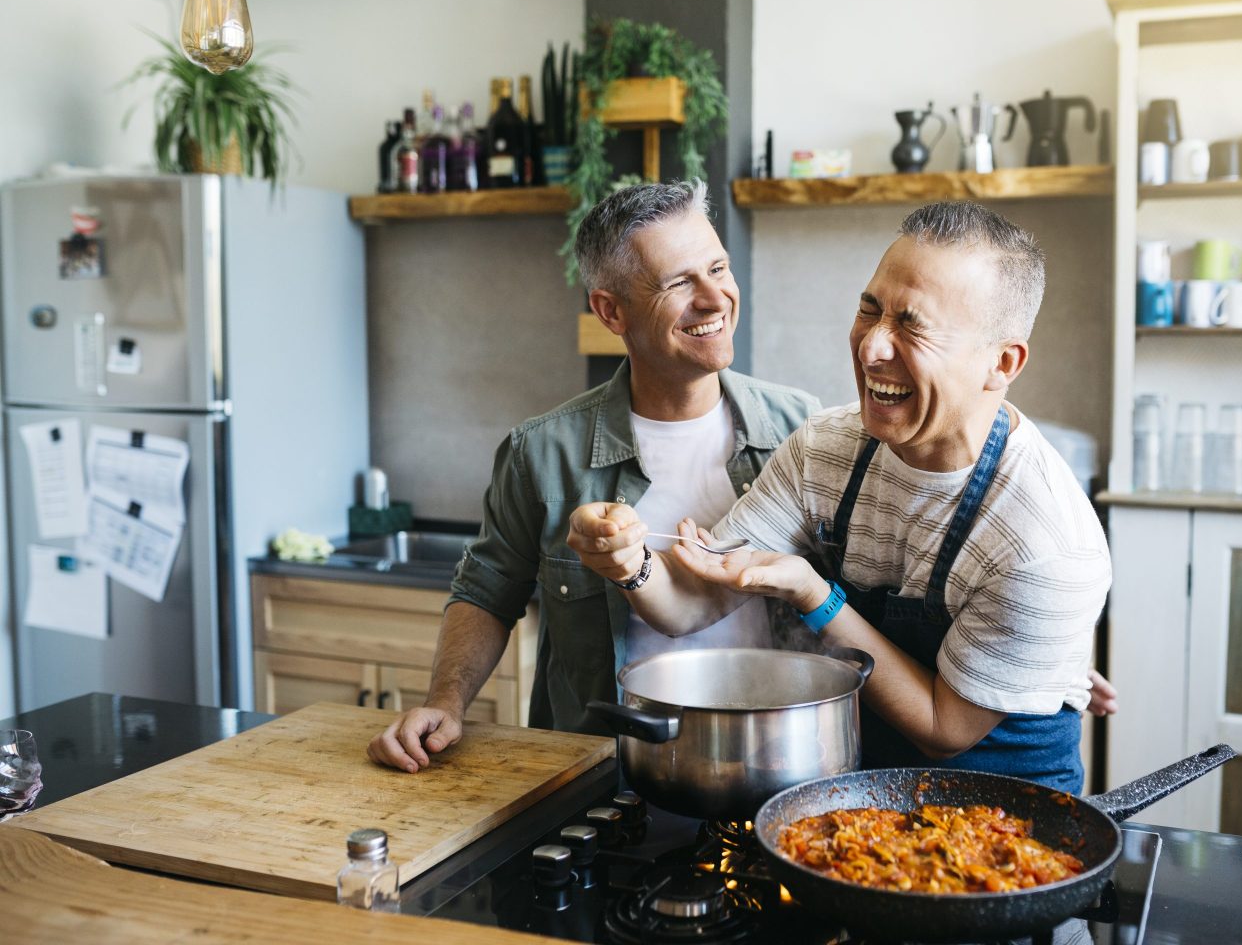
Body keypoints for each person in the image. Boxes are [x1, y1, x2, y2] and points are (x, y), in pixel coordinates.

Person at [567, 201, 1112, 794]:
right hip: (857, 799)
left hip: (1000, 821)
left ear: (1000, 363)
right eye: (868, 309)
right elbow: (694, 601)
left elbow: (943, 728)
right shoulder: (825, 449)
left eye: (912, 325)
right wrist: (630, 565)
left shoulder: (1046, 542)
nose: (871, 347)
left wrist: (814, 594)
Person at [367, 180, 820, 773]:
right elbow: (485, 592)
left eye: (718, 268)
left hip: (776, 767)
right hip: (605, 779)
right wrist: (445, 703)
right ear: (611, 310)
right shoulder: (541, 452)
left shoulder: (805, 430)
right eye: (680, 282)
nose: (715, 298)